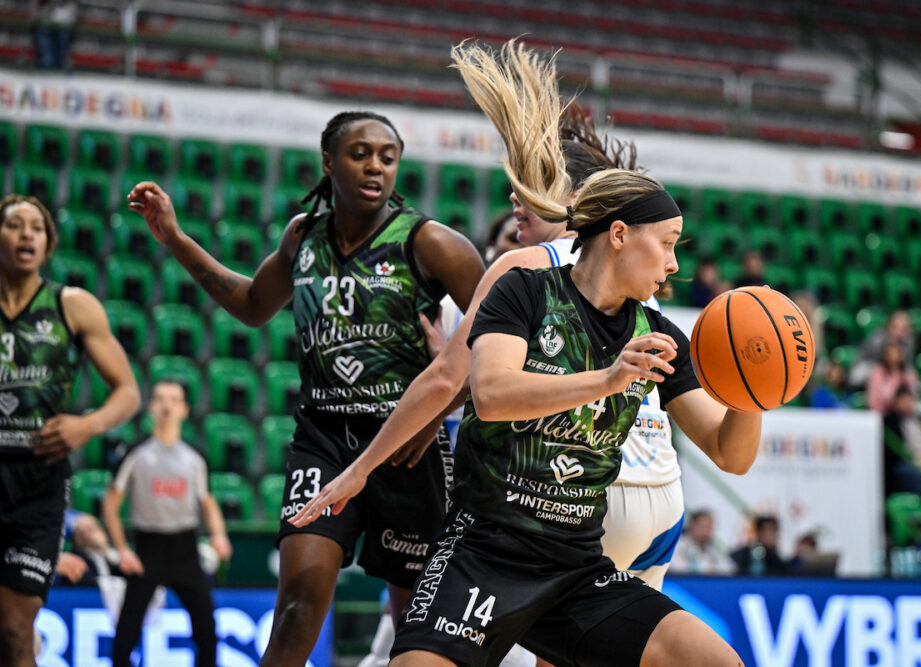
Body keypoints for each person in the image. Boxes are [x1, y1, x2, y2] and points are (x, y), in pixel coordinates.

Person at [292, 39, 760, 666]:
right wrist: (609, 377)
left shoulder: (659, 333)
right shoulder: (524, 284)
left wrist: (755, 393)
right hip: (486, 553)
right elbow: (491, 392)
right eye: (668, 244)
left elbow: (730, 453)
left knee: (717, 661)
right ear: (618, 236)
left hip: (577, 565)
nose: (676, 265)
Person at [127, 110, 485, 666]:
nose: (375, 166)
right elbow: (250, 306)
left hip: (406, 447)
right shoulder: (303, 237)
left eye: (387, 157)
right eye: (359, 153)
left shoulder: (432, 242)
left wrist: (441, 408)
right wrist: (174, 239)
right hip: (324, 437)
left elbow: (500, 342)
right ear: (328, 161)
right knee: (295, 611)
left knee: (415, 631)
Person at [0, 194, 140, 667]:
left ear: (48, 242)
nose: (25, 234)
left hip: (38, 485)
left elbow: (127, 392)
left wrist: (89, 424)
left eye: (35, 227)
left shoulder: (72, 306)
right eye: (14, 224)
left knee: (16, 628)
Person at [103, 380, 231, 667]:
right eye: (160, 398)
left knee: (207, 632)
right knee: (126, 633)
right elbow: (111, 504)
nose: (166, 405)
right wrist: (122, 549)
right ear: (151, 407)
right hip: (148, 549)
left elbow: (208, 503)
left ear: (184, 409)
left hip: (186, 549)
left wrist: (219, 535)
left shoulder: (195, 458)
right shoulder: (135, 454)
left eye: (174, 399)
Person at [670, 509, 735, 575]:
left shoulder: (714, 550)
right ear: (692, 526)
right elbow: (678, 569)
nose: (705, 532)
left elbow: (730, 568)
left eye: (709, 528)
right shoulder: (676, 546)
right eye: (702, 527)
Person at [866, 341, 921, 416]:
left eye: (897, 353)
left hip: (906, 412)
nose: (895, 356)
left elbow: (916, 390)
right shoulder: (878, 372)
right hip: (884, 413)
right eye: (891, 354)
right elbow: (875, 400)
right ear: (885, 356)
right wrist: (895, 402)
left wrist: (908, 400)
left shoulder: (906, 372)